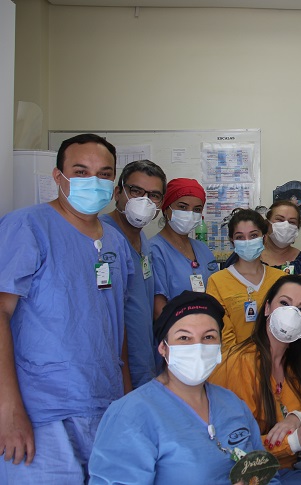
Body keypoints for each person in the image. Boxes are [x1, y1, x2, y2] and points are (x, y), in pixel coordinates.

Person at [0, 133, 135, 483]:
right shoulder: (28, 227)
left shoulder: (115, 242)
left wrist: (125, 403)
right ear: (58, 177)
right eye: (81, 171)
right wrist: (8, 409)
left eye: (104, 174)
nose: (94, 181)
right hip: (41, 412)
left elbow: (115, 325)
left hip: (103, 406)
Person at [88, 291, 275, 484]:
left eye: (209, 337)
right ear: (163, 348)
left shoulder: (233, 404)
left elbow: (266, 474)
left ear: (219, 346)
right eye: (184, 338)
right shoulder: (131, 415)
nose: (198, 347)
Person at [210, 275, 301, 485]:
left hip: (288, 465)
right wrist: (294, 441)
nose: (291, 313)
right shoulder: (240, 364)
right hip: (251, 475)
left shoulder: (295, 364)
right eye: (284, 303)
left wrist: (297, 417)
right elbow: (236, 449)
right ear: (267, 308)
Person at [101, 159, 167, 389]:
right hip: (116, 367)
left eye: (153, 195)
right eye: (136, 191)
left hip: (143, 359)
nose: (144, 201)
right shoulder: (102, 238)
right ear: (118, 192)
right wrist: (125, 381)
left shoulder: (142, 240)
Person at [207, 208, 286, 350]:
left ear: (264, 238)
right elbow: (222, 334)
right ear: (232, 241)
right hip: (235, 360)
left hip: (276, 358)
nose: (247, 241)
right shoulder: (217, 281)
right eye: (240, 237)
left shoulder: (281, 279)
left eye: (253, 235)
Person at [151, 178, 218, 319]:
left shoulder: (202, 249)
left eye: (197, 210)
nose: (190, 214)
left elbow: (217, 292)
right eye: (182, 207)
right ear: (166, 208)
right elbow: (158, 309)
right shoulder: (154, 250)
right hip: (174, 329)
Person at [224, 201, 301, 275]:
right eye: (279, 220)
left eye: (292, 222)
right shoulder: (247, 255)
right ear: (267, 224)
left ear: (297, 228)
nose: (285, 226)